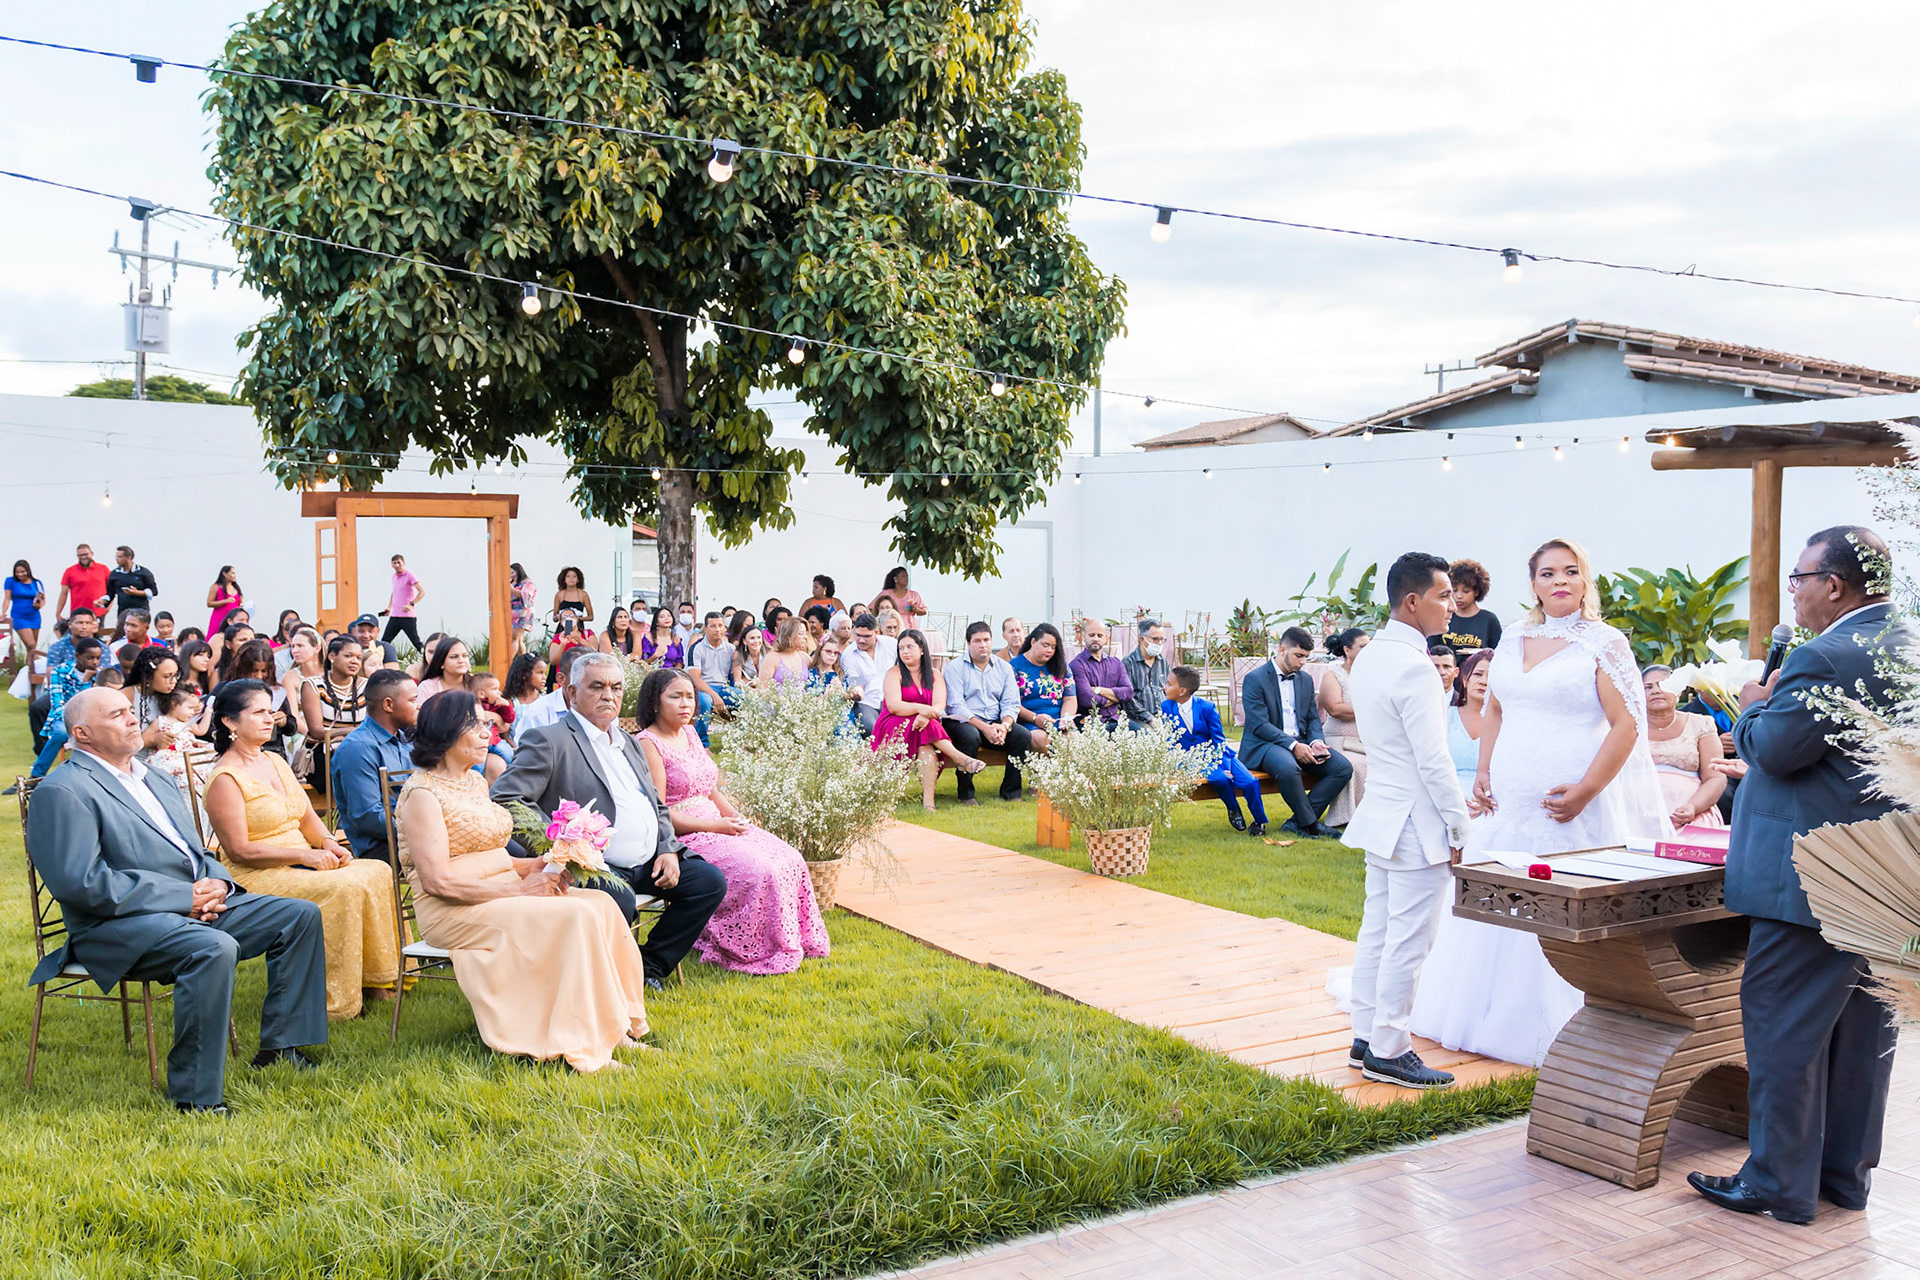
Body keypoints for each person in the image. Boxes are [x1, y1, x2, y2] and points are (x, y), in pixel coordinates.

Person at [1688, 526, 1910, 1225]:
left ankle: (1778, 1184)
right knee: (1862, 1036)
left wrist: (1754, 702)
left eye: (1798, 577)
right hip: (1887, 875)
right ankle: (1843, 1177)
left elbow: (1777, 751)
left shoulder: (1825, 655)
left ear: (1834, 585)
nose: (1794, 590)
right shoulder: (1906, 645)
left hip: (1809, 881)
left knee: (1784, 1031)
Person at [25, 688, 328, 1111]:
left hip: (189, 906)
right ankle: (195, 1096)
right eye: (117, 715)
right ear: (83, 733)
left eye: (131, 711)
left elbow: (198, 850)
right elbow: (81, 883)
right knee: (212, 947)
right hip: (116, 927)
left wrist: (218, 884)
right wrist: (179, 897)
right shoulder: (65, 790)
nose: (133, 719)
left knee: (297, 916)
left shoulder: (155, 777)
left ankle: (282, 1047)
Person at [1433, 538, 1671, 1067]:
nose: (1559, 581)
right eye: (1547, 573)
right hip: (1508, 797)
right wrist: (1486, 770)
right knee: (1499, 893)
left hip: (1571, 800)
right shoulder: (1513, 636)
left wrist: (1587, 790)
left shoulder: (1604, 642)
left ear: (1585, 581)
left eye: (1570, 572)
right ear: (1533, 583)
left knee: (1562, 899)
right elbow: (1494, 710)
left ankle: (1567, 1023)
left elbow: (1627, 724)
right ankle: (1478, 1009)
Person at [398, 690, 650, 1072]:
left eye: (488, 724)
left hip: (499, 889)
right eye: (477, 725)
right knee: (574, 918)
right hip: (453, 909)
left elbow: (491, 855)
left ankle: (617, 1027)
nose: (489, 732)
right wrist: (517, 889)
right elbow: (438, 882)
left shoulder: (473, 782)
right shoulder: (421, 794)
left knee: (601, 905)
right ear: (447, 732)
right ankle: (578, 1040)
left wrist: (540, 863)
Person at [492, 652, 727, 986]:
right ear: (572, 693)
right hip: (595, 862)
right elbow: (506, 798)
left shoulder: (629, 742)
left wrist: (668, 848)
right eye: (597, 686)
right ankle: (611, 977)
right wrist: (560, 842)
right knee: (620, 898)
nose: (608, 695)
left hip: (649, 860)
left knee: (707, 883)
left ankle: (648, 967)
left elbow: (656, 804)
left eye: (616, 688)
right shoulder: (549, 739)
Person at [1338, 551, 1470, 1090]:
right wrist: (1460, 826)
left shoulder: (1368, 656)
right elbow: (1433, 759)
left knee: (1378, 930)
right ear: (1412, 602)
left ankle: (1365, 1036)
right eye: (1443, 596)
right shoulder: (1415, 665)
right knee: (1410, 940)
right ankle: (1389, 1049)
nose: (1453, 607)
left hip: (1383, 812)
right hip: (1415, 820)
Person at [203, 680, 400, 1021]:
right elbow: (238, 851)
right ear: (229, 722)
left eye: (270, 710)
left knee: (377, 870)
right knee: (344, 887)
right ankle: (334, 999)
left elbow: (308, 815)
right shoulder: (225, 778)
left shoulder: (275, 761)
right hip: (257, 873)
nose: (270, 718)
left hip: (302, 857)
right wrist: (303, 855)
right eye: (258, 712)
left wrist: (327, 843)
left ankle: (375, 980)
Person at [636, 669, 831, 974]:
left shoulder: (689, 733)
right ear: (655, 702)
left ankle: (794, 939)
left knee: (789, 858)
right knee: (760, 870)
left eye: (689, 696)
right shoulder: (649, 744)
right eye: (675, 697)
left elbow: (710, 788)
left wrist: (734, 817)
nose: (686, 704)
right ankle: (750, 948)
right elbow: (658, 811)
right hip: (685, 835)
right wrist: (717, 827)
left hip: (718, 823)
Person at [1239, 626, 1352, 839]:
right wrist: (1293, 746)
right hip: (1264, 744)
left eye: (1306, 657)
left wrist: (1317, 741)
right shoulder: (1255, 679)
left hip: (1300, 740)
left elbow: (1311, 718)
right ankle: (1310, 824)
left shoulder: (1305, 679)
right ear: (1282, 649)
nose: (1302, 662)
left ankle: (1295, 822)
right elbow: (1259, 725)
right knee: (1289, 768)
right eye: (1298, 656)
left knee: (1342, 767)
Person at [874, 629, 985, 810]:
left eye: (909, 647)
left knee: (926, 747)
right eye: (901, 648)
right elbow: (894, 705)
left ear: (922, 649)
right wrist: (921, 709)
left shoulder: (934, 674)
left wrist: (924, 715)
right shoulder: (894, 673)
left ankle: (928, 804)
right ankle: (959, 758)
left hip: (924, 726)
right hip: (894, 724)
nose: (905, 652)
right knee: (930, 726)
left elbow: (939, 705)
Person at [941, 621, 1042, 804]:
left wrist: (1004, 726)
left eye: (986, 640)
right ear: (969, 644)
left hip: (995, 722)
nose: (983, 645)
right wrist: (985, 728)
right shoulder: (955, 668)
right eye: (977, 641)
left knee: (1021, 735)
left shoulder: (1004, 667)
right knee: (970, 736)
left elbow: (1011, 703)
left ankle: (1011, 793)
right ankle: (966, 794)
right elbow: (956, 706)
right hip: (964, 722)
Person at [1163, 665, 1267, 835]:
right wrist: (1175, 762)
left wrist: (1225, 766)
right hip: (1193, 758)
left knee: (1250, 781)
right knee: (1219, 779)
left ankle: (1260, 821)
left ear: (1182, 690)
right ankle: (1233, 810)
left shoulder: (1206, 707)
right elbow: (1169, 739)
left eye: (1169, 684)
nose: (1165, 687)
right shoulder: (1166, 707)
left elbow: (1218, 739)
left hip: (1220, 754)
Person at [330, 668, 420, 862]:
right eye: (413, 700)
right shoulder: (358, 749)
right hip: (383, 847)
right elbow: (368, 818)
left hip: (417, 834)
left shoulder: (405, 740)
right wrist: (426, 827)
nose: (418, 706)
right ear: (388, 705)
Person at [15, 637, 104, 787]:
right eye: (90, 658)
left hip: (91, 717)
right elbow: (57, 702)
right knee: (61, 733)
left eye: (98, 658)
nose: (95, 662)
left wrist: (89, 680)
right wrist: (84, 684)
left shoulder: (100, 674)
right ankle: (37, 774)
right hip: (63, 716)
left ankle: (97, 775)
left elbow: (94, 702)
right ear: (77, 656)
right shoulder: (60, 671)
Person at [1317, 628, 1371, 828]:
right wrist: (1370, 708)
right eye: (1363, 647)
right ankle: (1347, 817)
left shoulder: (1374, 675)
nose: (1369, 651)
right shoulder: (1334, 675)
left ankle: (1375, 816)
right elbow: (1335, 709)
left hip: (1367, 740)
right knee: (1356, 764)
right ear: (1347, 650)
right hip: (1338, 738)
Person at [1010, 623, 1077, 737]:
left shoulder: (1061, 667)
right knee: (1040, 739)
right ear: (1033, 642)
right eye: (1045, 645)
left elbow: (1070, 698)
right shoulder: (1013, 667)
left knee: (1073, 738)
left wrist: (1066, 718)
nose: (1049, 650)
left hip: (1058, 719)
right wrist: (1035, 718)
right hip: (1030, 721)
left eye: (1053, 647)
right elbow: (1011, 704)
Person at [1067, 619, 1134, 729]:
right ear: (1084, 637)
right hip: (1090, 722)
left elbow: (1129, 692)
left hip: (1116, 718)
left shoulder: (1116, 663)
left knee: (1142, 734)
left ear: (1106, 638)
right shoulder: (1077, 665)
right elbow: (1086, 699)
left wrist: (1098, 690)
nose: (1095, 639)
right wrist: (1116, 698)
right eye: (1091, 635)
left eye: (1100, 635)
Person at [1432, 558, 1503, 660]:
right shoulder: (1442, 617)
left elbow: (1498, 655)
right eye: (1454, 591)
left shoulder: (1489, 620)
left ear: (1477, 592)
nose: (1459, 596)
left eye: (1465, 591)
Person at [147, 686, 212, 792]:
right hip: (169, 755)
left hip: (186, 753)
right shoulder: (161, 721)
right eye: (190, 708)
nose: (192, 712)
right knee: (182, 767)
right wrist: (155, 739)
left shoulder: (187, 722)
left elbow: (201, 730)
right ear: (174, 704)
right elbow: (146, 737)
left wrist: (207, 713)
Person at [517, 644, 589, 738]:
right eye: (582, 677)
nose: (591, 685)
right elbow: (527, 750)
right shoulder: (539, 712)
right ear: (561, 679)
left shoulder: (603, 709)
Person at [838, 613, 892, 736]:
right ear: (853, 631)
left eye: (867, 636)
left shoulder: (891, 645)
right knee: (869, 727)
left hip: (892, 699)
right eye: (858, 635)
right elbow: (856, 684)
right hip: (867, 702)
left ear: (876, 632)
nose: (861, 640)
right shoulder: (848, 655)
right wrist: (854, 692)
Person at [685, 611, 734, 741]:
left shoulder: (731, 649)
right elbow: (695, 678)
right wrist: (714, 695)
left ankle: (743, 742)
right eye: (712, 626)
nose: (717, 629)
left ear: (725, 628)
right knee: (705, 702)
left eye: (720, 625)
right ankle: (702, 743)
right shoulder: (696, 648)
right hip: (702, 688)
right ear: (705, 629)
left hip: (724, 688)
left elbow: (734, 675)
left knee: (745, 699)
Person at [129, 647, 184, 759]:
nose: (174, 681)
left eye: (175, 675)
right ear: (148, 676)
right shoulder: (127, 696)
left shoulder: (170, 696)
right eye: (167, 676)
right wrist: (152, 739)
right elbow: (116, 744)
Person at [1121, 619, 1170, 730]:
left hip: (1164, 715)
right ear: (1141, 639)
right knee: (1150, 737)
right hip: (1139, 718)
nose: (1160, 643)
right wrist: (1150, 719)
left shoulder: (1163, 662)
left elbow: (1169, 689)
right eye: (1155, 639)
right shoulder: (1128, 663)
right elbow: (1128, 699)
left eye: (1162, 639)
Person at [312, 636, 369, 730]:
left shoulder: (366, 686)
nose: (355, 661)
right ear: (332, 656)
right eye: (348, 656)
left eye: (359, 658)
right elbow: (316, 731)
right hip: (324, 744)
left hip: (358, 744)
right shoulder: (314, 685)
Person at [377, 554, 424, 651]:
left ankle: (429, 660)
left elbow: (422, 592)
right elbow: (394, 592)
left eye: (399, 562)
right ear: (392, 565)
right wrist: (389, 608)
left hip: (407, 617)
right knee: (384, 642)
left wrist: (411, 604)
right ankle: (379, 662)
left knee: (416, 642)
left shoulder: (410, 575)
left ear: (403, 563)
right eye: (395, 563)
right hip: (395, 616)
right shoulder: (394, 577)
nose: (397, 565)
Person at [104, 545, 158, 624]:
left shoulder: (143, 572)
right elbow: (110, 593)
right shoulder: (115, 574)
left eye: (120, 557)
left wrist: (137, 593)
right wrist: (102, 601)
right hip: (123, 611)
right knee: (124, 632)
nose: (117, 559)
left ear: (128, 558)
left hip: (141, 610)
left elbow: (154, 591)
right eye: (116, 557)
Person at [55, 544, 110, 620]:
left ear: (92, 553)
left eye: (86, 554)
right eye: (80, 555)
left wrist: (107, 608)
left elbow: (111, 590)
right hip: (78, 614)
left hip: (98, 613)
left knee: (98, 632)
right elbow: (64, 593)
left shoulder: (103, 569)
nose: (83, 557)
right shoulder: (70, 571)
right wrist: (58, 613)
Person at [501, 654, 548, 741]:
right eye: (540, 673)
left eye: (545, 673)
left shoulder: (545, 701)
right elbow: (505, 735)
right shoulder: (510, 702)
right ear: (524, 675)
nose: (544, 677)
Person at [416, 635, 476, 701]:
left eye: (465, 656)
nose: (461, 660)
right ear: (441, 663)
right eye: (454, 657)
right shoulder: (426, 688)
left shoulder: (477, 683)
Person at [758, 616, 812, 687]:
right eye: (801, 633)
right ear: (788, 636)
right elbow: (762, 688)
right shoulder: (772, 658)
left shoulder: (805, 657)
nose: (805, 637)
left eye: (806, 633)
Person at [8, 559, 45, 657]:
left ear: (28, 571)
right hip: (19, 617)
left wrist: (39, 605)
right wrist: (3, 612)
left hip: (34, 616)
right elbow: (7, 598)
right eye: (17, 572)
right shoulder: (11, 581)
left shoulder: (37, 583)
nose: (20, 574)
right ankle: (34, 664)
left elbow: (43, 598)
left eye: (22, 572)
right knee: (31, 644)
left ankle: (29, 668)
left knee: (32, 649)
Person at [207, 565, 245, 636]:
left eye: (235, 573)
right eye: (232, 573)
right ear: (224, 573)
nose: (234, 575)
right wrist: (225, 601)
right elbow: (209, 603)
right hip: (219, 618)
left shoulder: (236, 588)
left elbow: (240, 603)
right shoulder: (216, 587)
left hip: (233, 618)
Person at [508, 562, 536, 655]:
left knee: (514, 638)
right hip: (512, 613)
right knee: (519, 639)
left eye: (513, 573)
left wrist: (510, 589)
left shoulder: (527, 583)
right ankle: (523, 661)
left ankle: (508, 661)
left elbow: (525, 595)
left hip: (522, 613)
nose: (511, 575)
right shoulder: (512, 583)